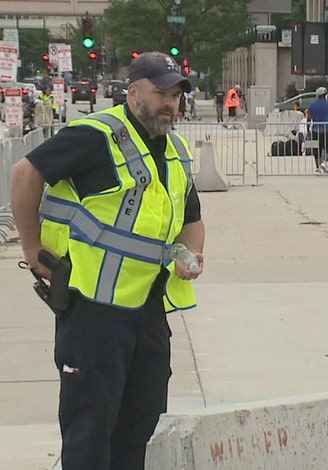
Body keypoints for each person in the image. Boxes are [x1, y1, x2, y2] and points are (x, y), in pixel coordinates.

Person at [10, 51, 205, 469]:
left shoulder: (176, 149)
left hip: (148, 312)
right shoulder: (97, 135)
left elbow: (191, 217)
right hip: (93, 314)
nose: (170, 103)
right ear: (133, 93)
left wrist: (192, 253)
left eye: (176, 95)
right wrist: (31, 247)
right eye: (161, 93)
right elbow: (25, 172)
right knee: (90, 434)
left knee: (143, 430)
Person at [307, 86, 328, 172]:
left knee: (317, 149)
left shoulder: (312, 105)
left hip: (315, 129)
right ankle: (324, 162)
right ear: (325, 95)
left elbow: (309, 118)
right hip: (327, 129)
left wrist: (308, 129)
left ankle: (317, 167)